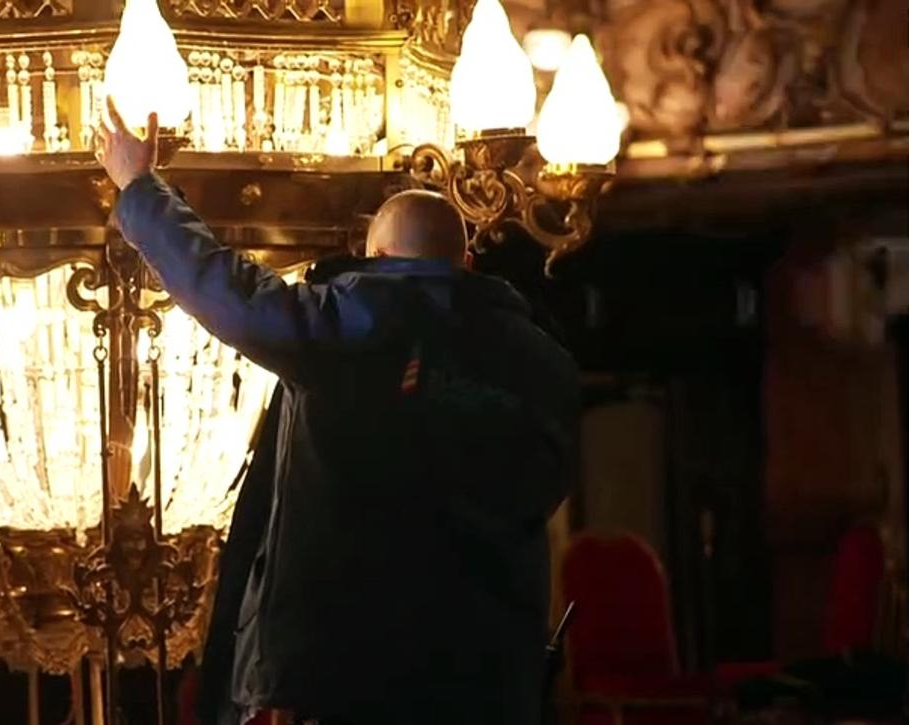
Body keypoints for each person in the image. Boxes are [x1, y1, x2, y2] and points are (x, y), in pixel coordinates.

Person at [97, 100, 579, 725]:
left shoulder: (355, 323)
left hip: (349, 668)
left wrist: (140, 188)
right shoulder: (543, 362)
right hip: (488, 676)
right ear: (466, 263)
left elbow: (232, 292)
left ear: (377, 259)